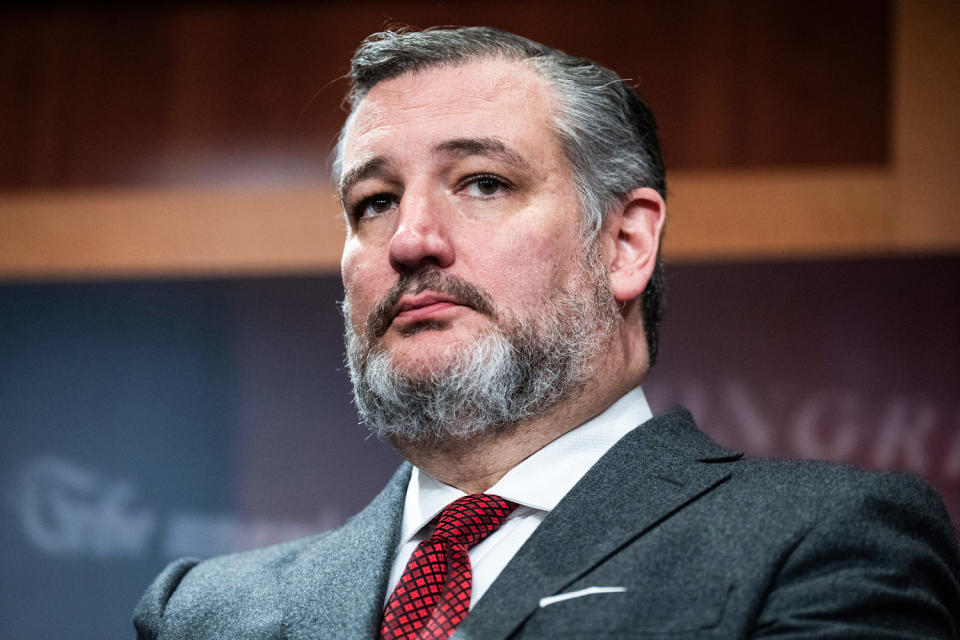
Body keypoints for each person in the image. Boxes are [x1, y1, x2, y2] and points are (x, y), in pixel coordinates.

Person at [134, 27, 960, 639]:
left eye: (483, 182)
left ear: (625, 243)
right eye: (374, 201)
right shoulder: (206, 614)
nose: (411, 238)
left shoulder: (819, 540)